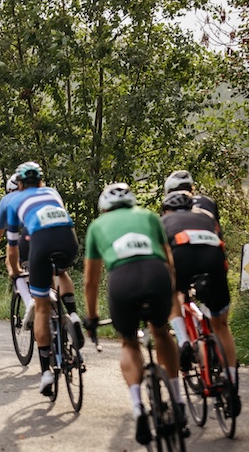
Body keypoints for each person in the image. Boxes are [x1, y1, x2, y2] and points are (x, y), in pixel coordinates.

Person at [82, 183, 187, 444]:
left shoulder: (97, 226)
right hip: (156, 275)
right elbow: (169, 260)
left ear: (104, 208)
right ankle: (178, 401)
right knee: (161, 332)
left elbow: (91, 281)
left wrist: (92, 318)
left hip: (123, 280)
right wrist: (171, 291)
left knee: (129, 342)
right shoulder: (149, 216)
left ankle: (138, 408)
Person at [3, 161, 83, 396]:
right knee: (61, 272)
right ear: (40, 181)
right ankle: (73, 315)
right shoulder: (51, 192)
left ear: (18, 185)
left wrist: (14, 269)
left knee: (41, 307)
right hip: (67, 238)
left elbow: (10, 244)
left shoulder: (12, 201)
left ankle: (47, 372)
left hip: (34, 242)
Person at [160, 189, 239, 414]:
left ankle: (184, 341)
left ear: (167, 210)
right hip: (213, 259)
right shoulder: (206, 216)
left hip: (182, 257)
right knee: (221, 326)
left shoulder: (163, 222)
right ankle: (231, 385)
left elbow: (159, 257)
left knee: (173, 294)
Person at [0, 173, 33, 326]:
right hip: (59, 232)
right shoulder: (42, 193)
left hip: (29, 234)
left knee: (11, 260)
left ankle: (29, 302)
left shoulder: (8, 200)